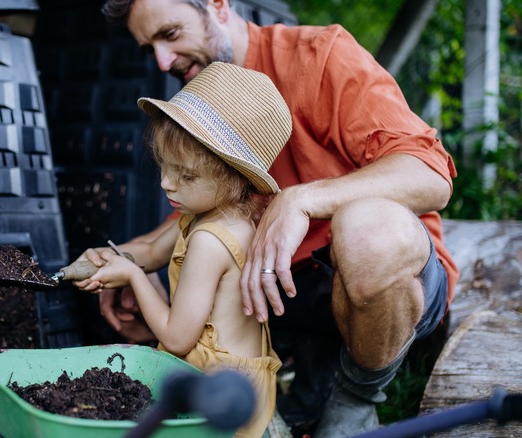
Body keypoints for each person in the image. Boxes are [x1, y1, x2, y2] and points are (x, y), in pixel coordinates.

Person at [81, 1, 460, 436]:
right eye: (150, 50)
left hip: (388, 280)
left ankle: (357, 397)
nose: (164, 62)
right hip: (285, 291)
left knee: (368, 230)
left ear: (218, 6)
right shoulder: (206, 97)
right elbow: (201, 219)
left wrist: (302, 199)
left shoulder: (319, 56)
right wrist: (131, 258)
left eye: (170, 34)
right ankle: (305, 379)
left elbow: (429, 175)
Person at [78, 62, 291, 436]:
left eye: (186, 175)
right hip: (244, 387)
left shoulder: (210, 241)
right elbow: (153, 252)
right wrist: (114, 258)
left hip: (215, 397)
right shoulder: (230, 218)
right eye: (163, 166)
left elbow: (177, 340)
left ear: (232, 176)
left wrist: (131, 274)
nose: (165, 184)